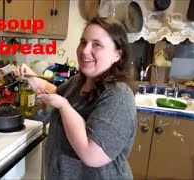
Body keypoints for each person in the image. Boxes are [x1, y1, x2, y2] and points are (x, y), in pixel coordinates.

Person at [12, 17, 137, 180]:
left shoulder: (118, 96)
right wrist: (31, 78)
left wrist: (64, 107)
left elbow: (92, 155)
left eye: (97, 44)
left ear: (117, 54)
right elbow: (56, 94)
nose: (85, 50)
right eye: (83, 42)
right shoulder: (80, 80)